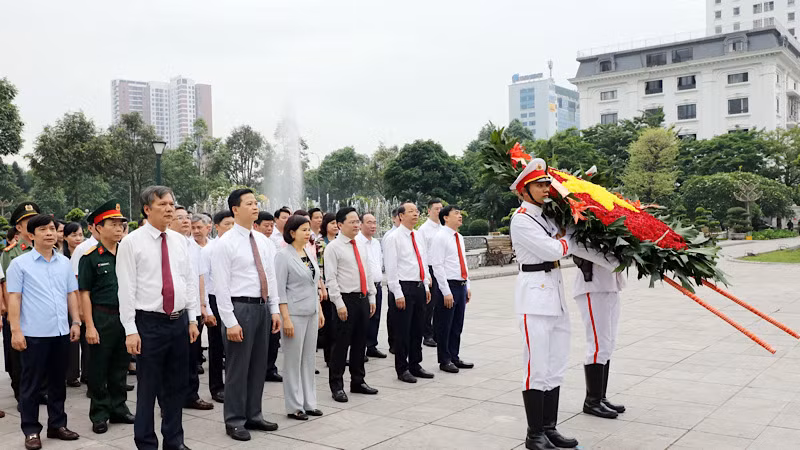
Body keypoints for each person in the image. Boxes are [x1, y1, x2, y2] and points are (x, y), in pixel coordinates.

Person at [117, 186, 200, 450]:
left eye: (171, 204)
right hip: (148, 323)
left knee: (177, 387)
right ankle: (146, 443)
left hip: (177, 322)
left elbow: (187, 282)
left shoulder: (179, 241)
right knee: (148, 389)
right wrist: (130, 329)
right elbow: (127, 288)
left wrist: (192, 319)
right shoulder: (132, 243)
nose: (169, 209)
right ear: (147, 209)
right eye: (162, 204)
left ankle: (174, 441)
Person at [509, 159, 578, 450]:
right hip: (534, 297)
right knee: (536, 366)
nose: (545, 189)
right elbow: (553, 248)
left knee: (555, 364)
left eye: (547, 184)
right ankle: (534, 433)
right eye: (539, 184)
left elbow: (558, 242)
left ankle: (549, 428)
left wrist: (564, 239)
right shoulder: (522, 219)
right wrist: (568, 241)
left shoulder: (546, 217)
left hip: (555, 294)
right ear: (525, 191)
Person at [6, 214, 82, 450]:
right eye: (43, 230)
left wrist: (76, 321)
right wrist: (15, 330)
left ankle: (57, 425)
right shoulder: (19, 264)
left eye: (52, 229)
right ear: (31, 235)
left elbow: (71, 294)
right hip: (34, 334)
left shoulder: (64, 263)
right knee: (31, 385)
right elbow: (14, 298)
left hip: (61, 332)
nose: (50, 233)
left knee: (58, 383)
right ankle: (31, 430)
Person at [212, 189, 280, 442]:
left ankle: (254, 414)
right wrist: (230, 321)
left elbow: (270, 278)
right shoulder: (225, 243)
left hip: (261, 307)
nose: (254, 207)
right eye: (249, 203)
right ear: (235, 209)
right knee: (238, 368)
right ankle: (234, 420)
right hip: (239, 308)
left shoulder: (263, 241)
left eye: (256, 203)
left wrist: (273, 310)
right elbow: (221, 286)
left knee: (258, 364)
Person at [78, 201, 136, 434]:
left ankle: (118, 408)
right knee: (99, 368)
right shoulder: (90, 257)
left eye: (121, 224)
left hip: (125, 318)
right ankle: (100, 413)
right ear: (98, 228)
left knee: (120, 366)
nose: (119, 228)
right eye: (112, 224)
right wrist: (89, 326)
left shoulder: (127, 253)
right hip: (102, 317)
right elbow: (84, 294)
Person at [324, 207, 378, 402]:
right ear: (340, 225)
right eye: (352, 222)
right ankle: (336, 385)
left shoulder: (361, 245)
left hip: (362, 298)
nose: (357, 225)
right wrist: (338, 303)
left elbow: (368, 272)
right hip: (345, 300)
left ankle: (358, 380)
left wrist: (372, 296)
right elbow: (330, 279)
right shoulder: (333, 248)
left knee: (359, 342)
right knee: (340, 344)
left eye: (358, 221)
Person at [276, 215, 324, 419]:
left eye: (308, 230)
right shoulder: (283, 256)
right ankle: (294, 406)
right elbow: (280, 291)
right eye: (304, 230)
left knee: (309, 360)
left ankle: (309, 402)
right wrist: (285, 318)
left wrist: (319, 310)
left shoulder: (308, 253)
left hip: (311, 312)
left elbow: (314, 285)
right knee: (293, 362)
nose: (308, 233)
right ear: (292, 232)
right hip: (294, 314)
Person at [169, 208, 214, 412]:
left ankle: (191, 395)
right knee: (173, 358)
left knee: (192, 355)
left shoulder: (194, 247)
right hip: (174, 310)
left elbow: (200, 277)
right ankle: (169, 400)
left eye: (187, 217)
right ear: (170, 221)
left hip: (193, 309)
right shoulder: (167, 244)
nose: (186, 221)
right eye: (180, 218)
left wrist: (203, 305)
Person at [383, 202, 434, 384]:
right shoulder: (393, 237)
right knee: (402, 331)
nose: (415, 214)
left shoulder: (418, 235)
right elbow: (391, 267)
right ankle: (402, 368)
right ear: (401, 216)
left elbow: (423, 260)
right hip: (403, 287)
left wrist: (426, 285)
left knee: (417, 329)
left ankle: (415, 364)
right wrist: (397, 293)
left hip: (419, 286)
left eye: (417, 211)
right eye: (411, 211)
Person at [571, 250, 625, 420]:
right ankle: (592, 401)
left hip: (610, 285)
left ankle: (600, 396)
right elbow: (580, 247)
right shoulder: (581, 224)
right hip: (593, 286)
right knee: (598, 344)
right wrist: (618, 261)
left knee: (608, 344)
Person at [2, 201, 42, 407]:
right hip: (20, 312)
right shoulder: (12, 253)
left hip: (40, 313)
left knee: (39, 356)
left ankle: (38, 390)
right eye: (28, 221)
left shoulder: (46, 250)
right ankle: (21, 393)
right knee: (19, 357)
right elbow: (10, 289)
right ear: (18, 228)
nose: (33, 224)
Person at [430, 205, 474, 374]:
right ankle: (445, 359)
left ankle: (454, 356)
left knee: (457, 325)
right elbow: (438, 266)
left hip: (461, 285)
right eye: (456, 213)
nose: (460, 216)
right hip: (448, 286)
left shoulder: (459, 237)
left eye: (460, 213)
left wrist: (467, 285)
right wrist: (446, 291)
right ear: (445, 217)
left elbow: (462, 262)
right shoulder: (440, 237)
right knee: (444, 325)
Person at [201, 211, 233, 404]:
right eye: (226, 224)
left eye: (233, 224)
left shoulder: (237, 247)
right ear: (216, 226)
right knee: (216, 346)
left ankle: (233, 384)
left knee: (234, 347)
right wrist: (208, 310)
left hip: (233, 300)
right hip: (214, 300)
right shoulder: (209, 250)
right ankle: (216, 387)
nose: (230, 228)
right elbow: (203, 282)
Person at [253, 212, 283, 383]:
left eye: (272, 225)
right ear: (256, 225)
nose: (270, 228)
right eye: (266, 225)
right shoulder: (253, 243)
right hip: (255, 299)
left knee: (273, 338)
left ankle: (270, 368)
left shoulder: (273, 244)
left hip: (273, 296)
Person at [356, 213, 386, 359]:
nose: (373, 225)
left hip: (377, 285)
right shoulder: (357, 241)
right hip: (363, 287)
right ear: (360, 224)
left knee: (376, 316)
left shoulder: (376, 242)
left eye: (374, 222)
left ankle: (371, 345)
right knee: (363, 318)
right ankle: (360, 348)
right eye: (369, 222)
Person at [418, 199, 443, 348]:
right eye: (436, 209)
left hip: (442, 269)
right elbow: (422, 254)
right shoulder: (424, 230)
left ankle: (437, 332)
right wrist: (426, 274)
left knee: (441, 302)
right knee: (429, 304)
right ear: (429, 211)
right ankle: (427, 334)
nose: (439, 211)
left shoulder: (444, 228)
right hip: (430, 269)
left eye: (441, 208)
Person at [316, 212, 338, 365]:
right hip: (325, 288)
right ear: (325, 225)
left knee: (338, 324)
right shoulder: (319, 243)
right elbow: (317, 267)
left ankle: (338, 354)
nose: (335, 226)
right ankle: (329, 357)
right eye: (332, 223)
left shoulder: (339, 242)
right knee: (329, 324)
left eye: (337, 223)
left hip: (338, 287)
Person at [383, 208, 400, 354]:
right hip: (396, 282)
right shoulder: (391, 236)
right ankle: (393, 342)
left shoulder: (414, 235)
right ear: (395, 218)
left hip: (410, 282)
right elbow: (389, 263)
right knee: (394, 313)